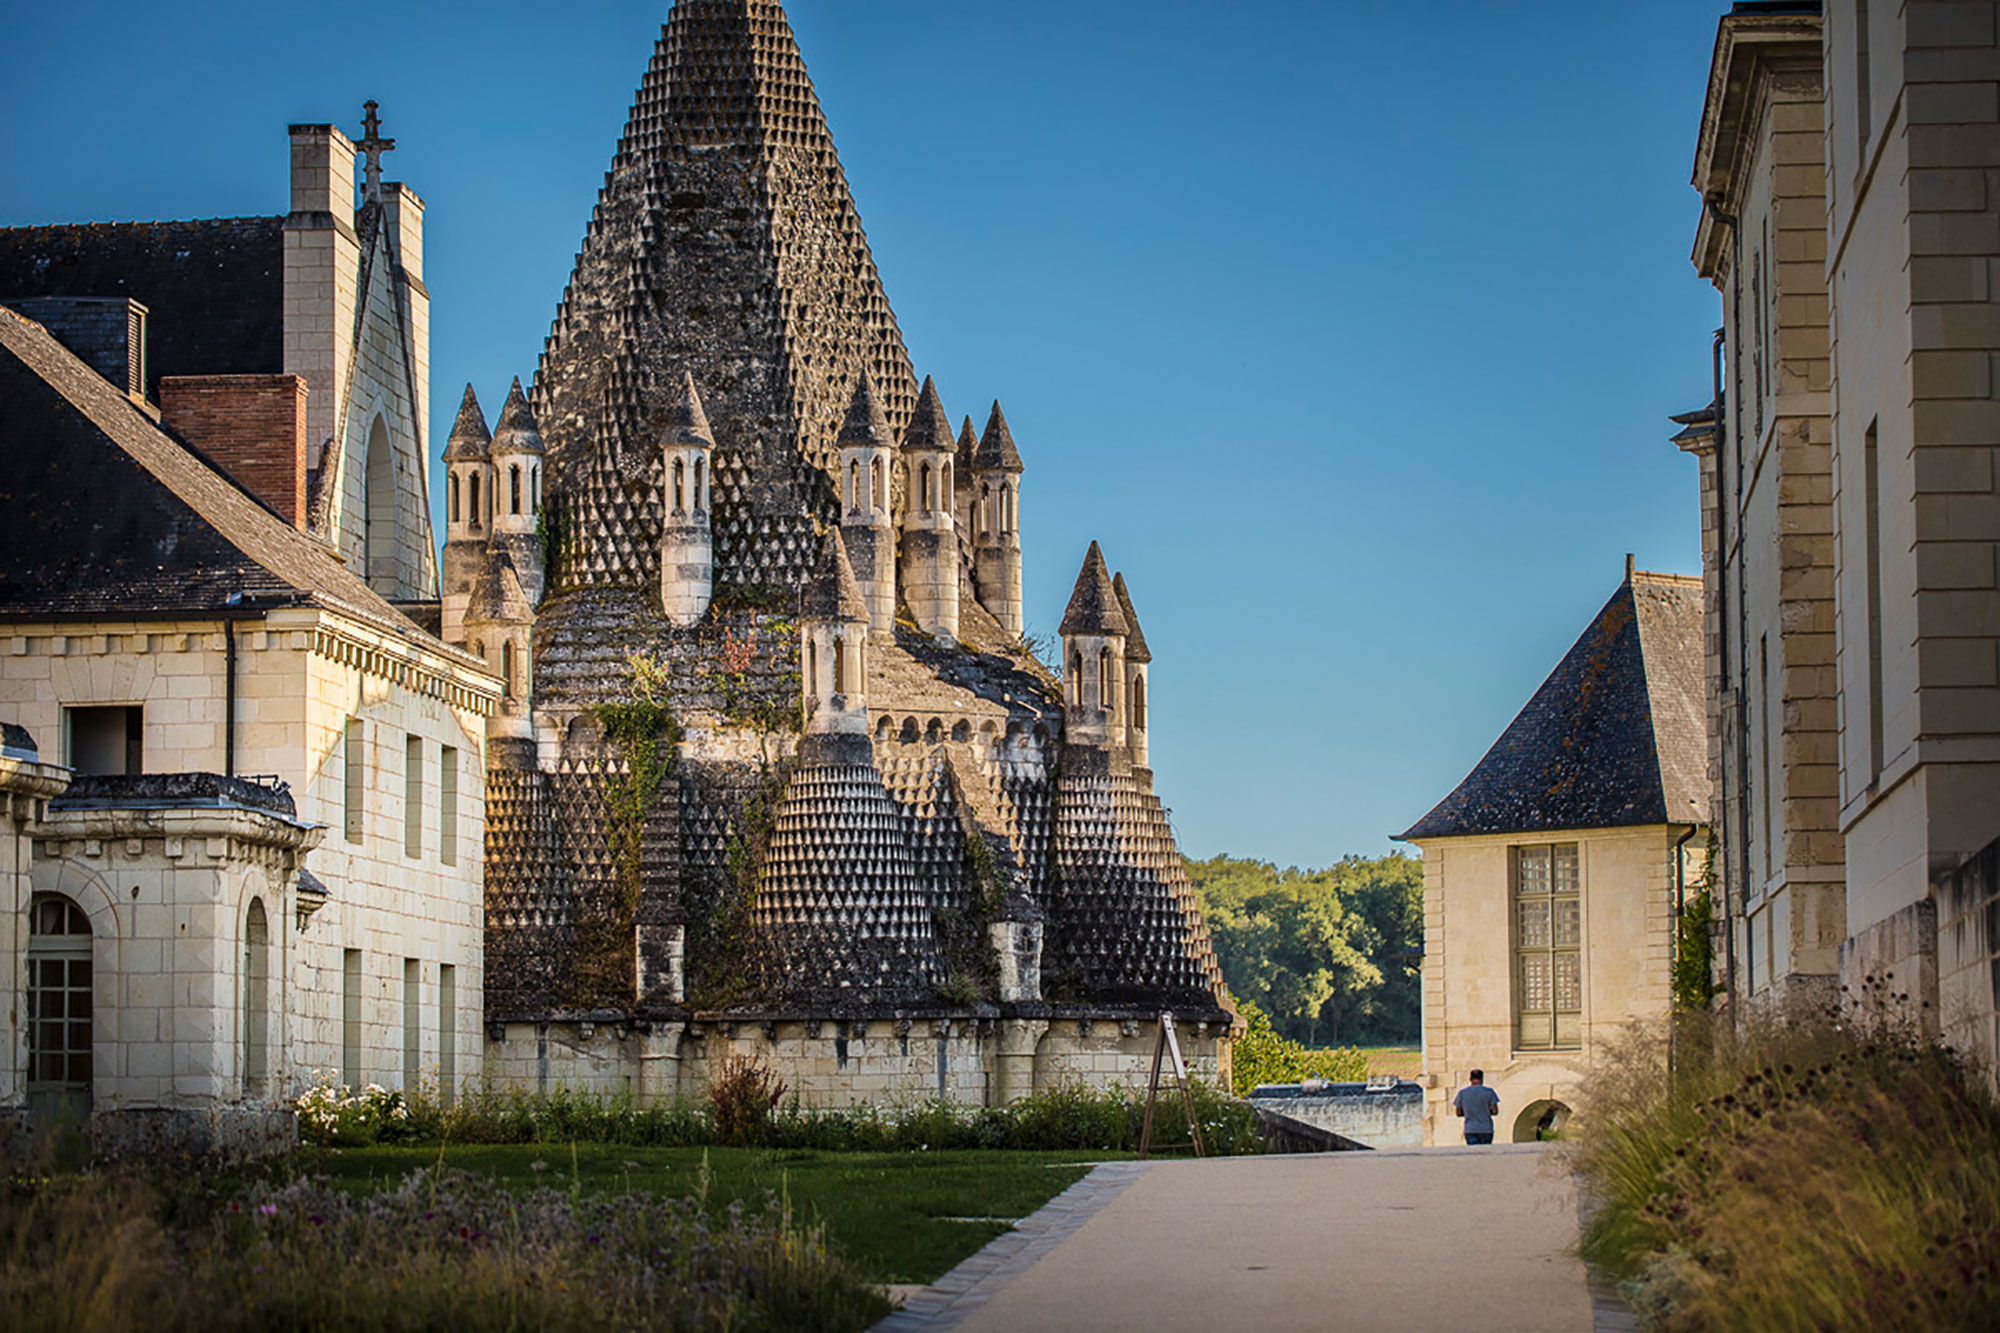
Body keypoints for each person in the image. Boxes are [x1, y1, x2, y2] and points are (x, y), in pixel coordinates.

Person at [1453, 1069, 1500, 1145]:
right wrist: (1485, 1111)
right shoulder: (1489, 1092)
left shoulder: (1462, 1093)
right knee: (1485, 1153)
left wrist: (1469, 1112)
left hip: (1470, 1129)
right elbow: (1495, 1111)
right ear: (1482, 1078)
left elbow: (1458, 1113)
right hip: (1486, 1129)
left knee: (1473, 1154)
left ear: (1470, 1079)